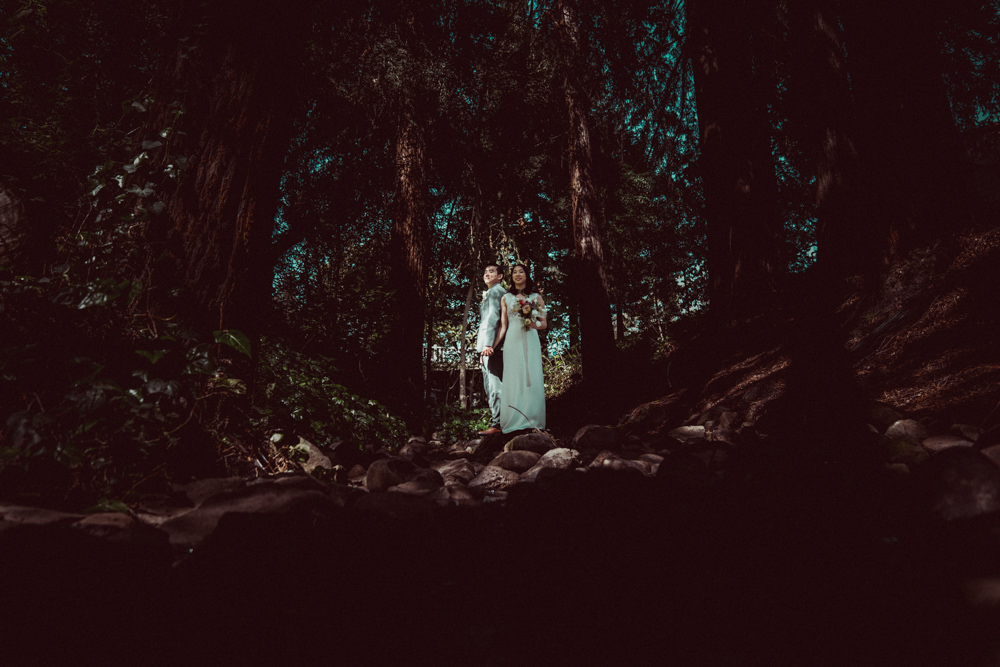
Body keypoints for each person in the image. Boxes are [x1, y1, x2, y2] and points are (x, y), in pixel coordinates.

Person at [492, 263, 547, 433]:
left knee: (531, 376)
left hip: (530, 340)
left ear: (526, 275)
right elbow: (503, 326)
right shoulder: (506, 298)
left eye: (521, 272)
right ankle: (513, 420)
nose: (517, 275)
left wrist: (531, 322)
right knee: (514, 377)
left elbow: (543, 324)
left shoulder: (536, 297)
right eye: (514, 272)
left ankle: (533, 420)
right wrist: (492, 347)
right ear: (511, 277)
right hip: (512, 342)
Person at [476, 263, 507, 435]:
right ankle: (498, 421)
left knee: (494, 385)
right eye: (485, 271)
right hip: (488, 347)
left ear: (500, 276)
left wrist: (488, 345)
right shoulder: (493, 292)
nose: (487, 274)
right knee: (491, 385)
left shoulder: (496, 291)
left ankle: (498, 424)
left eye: (492, 271)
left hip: (493, 346)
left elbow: (492, 319)